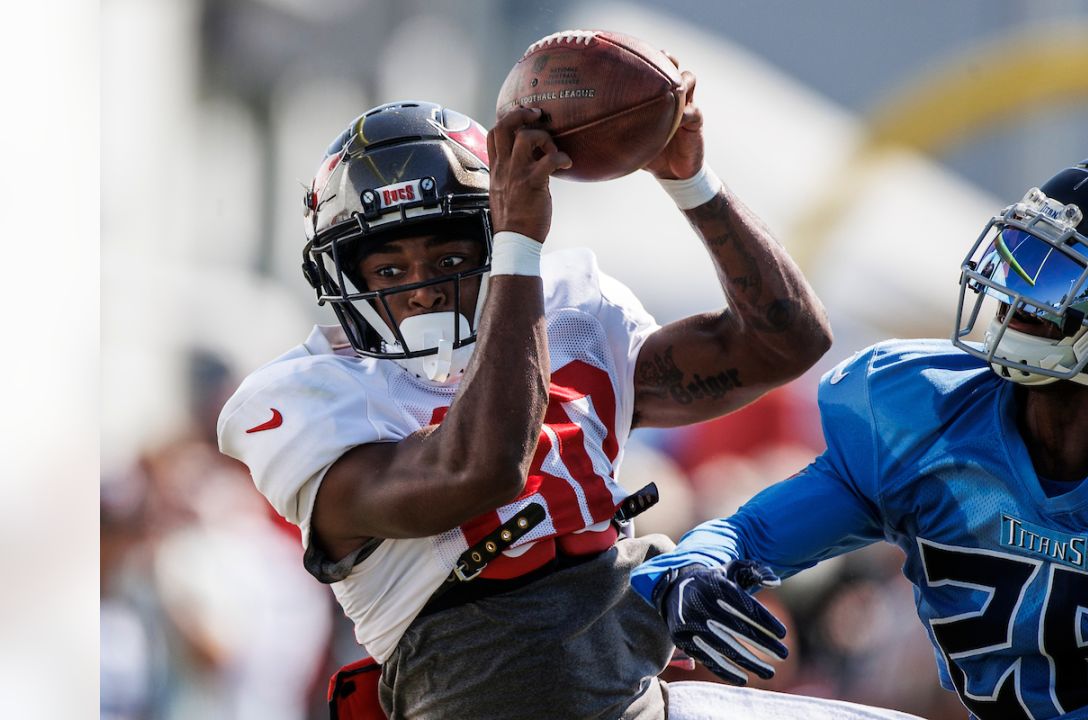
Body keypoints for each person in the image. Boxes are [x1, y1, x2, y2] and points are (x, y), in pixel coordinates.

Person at [216, 57, 844, 719]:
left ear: (487, 250)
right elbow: (483, 470)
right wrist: (519, 243)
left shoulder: (571, 319)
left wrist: (689, 179)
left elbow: (789, 341)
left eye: (450, 258)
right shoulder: (312, 398)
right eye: (391, 266)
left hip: (634, 699)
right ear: (346, 279)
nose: (423, 285)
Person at [632, 151, 1088, 720]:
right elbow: (747, 538)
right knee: (678, 713)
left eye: (1064, 278)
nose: (1021, 296)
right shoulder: (927, 417)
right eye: (1022, 260)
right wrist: (693, 567)